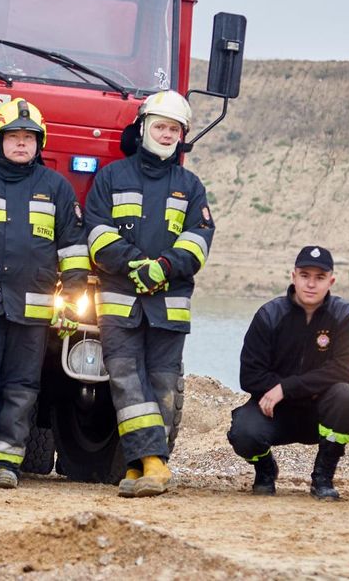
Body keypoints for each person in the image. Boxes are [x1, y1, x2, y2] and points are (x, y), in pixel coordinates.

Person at [0, 99, 89, 489]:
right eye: (14, 136)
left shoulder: (56, 188)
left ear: (39, 143)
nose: (22, 144)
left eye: (29, 137)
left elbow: (73, 250)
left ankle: (8, 464)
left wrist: (74, 298)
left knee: (23, 386)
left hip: (34, 307)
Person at [85, 90, 213, 498]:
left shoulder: (190, 186)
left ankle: (144, 465)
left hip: (168, 304)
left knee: (161, 384)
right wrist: (135, 264)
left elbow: (199, 239)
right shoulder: (111, 177)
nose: (166, 133)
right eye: (159, 125)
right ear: (142, 128)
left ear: (182, 135)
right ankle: (152, 463)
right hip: (121, 300)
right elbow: (97, 232)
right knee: (125, 380)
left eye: (173, 128)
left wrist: (165, 267)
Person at [227, 246, 349, 500]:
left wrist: (286, 388)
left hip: (320, 412)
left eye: (319, 277)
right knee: (243, 432)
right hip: (274, 411)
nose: (311, 284)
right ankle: (265, 469)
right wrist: (283, 393)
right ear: (293, 276)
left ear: (331, 281)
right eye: (304, 275)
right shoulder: (269, 314)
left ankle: (323, 477)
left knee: (346, 397)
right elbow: (250, 375)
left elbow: (346, 369)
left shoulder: (344, 315)